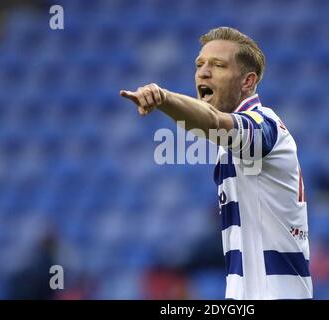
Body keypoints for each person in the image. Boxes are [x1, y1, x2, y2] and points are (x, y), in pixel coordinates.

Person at [120, 27, 312, 300]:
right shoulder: (231, 148)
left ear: (248, 81)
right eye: (200, 64)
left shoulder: (265, 125)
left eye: (218, 65)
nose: (203, 72)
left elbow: (212, 122)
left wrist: (163, 98)